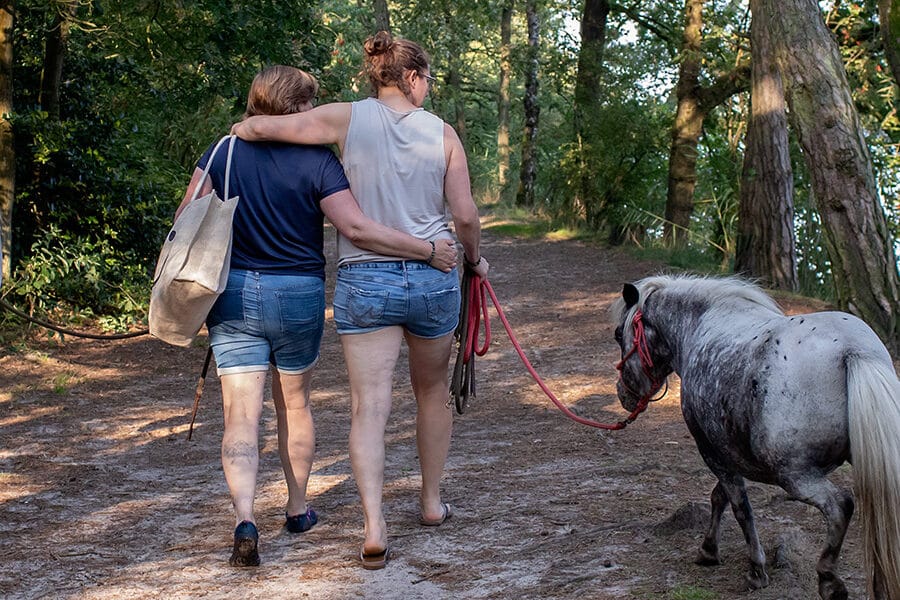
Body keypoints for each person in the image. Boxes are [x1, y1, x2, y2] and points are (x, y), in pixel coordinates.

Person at [176, 65, 457, 568]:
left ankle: (245, 517)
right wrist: (426, 250)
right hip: (298, 291)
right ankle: (298, 508)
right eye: (308, 104)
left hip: (233, 291)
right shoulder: (318, 162)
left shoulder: (223, 151)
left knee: (240, 413)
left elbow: (185, 219)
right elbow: (355, 225)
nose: (312, 112)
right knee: (294, 404)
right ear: (296, 108)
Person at [232, 32, 490, 570]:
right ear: (413, 77)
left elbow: (261, 127)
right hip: (432, 276)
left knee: (369, 405)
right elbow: (465, 216)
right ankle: (430, 503)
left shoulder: (346, 119)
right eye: (428, 78)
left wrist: (245, 128)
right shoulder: (443, 134)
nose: (429, 87)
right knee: (432, 391)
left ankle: (374, 526)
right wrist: (472, 259)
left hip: (364, 281)